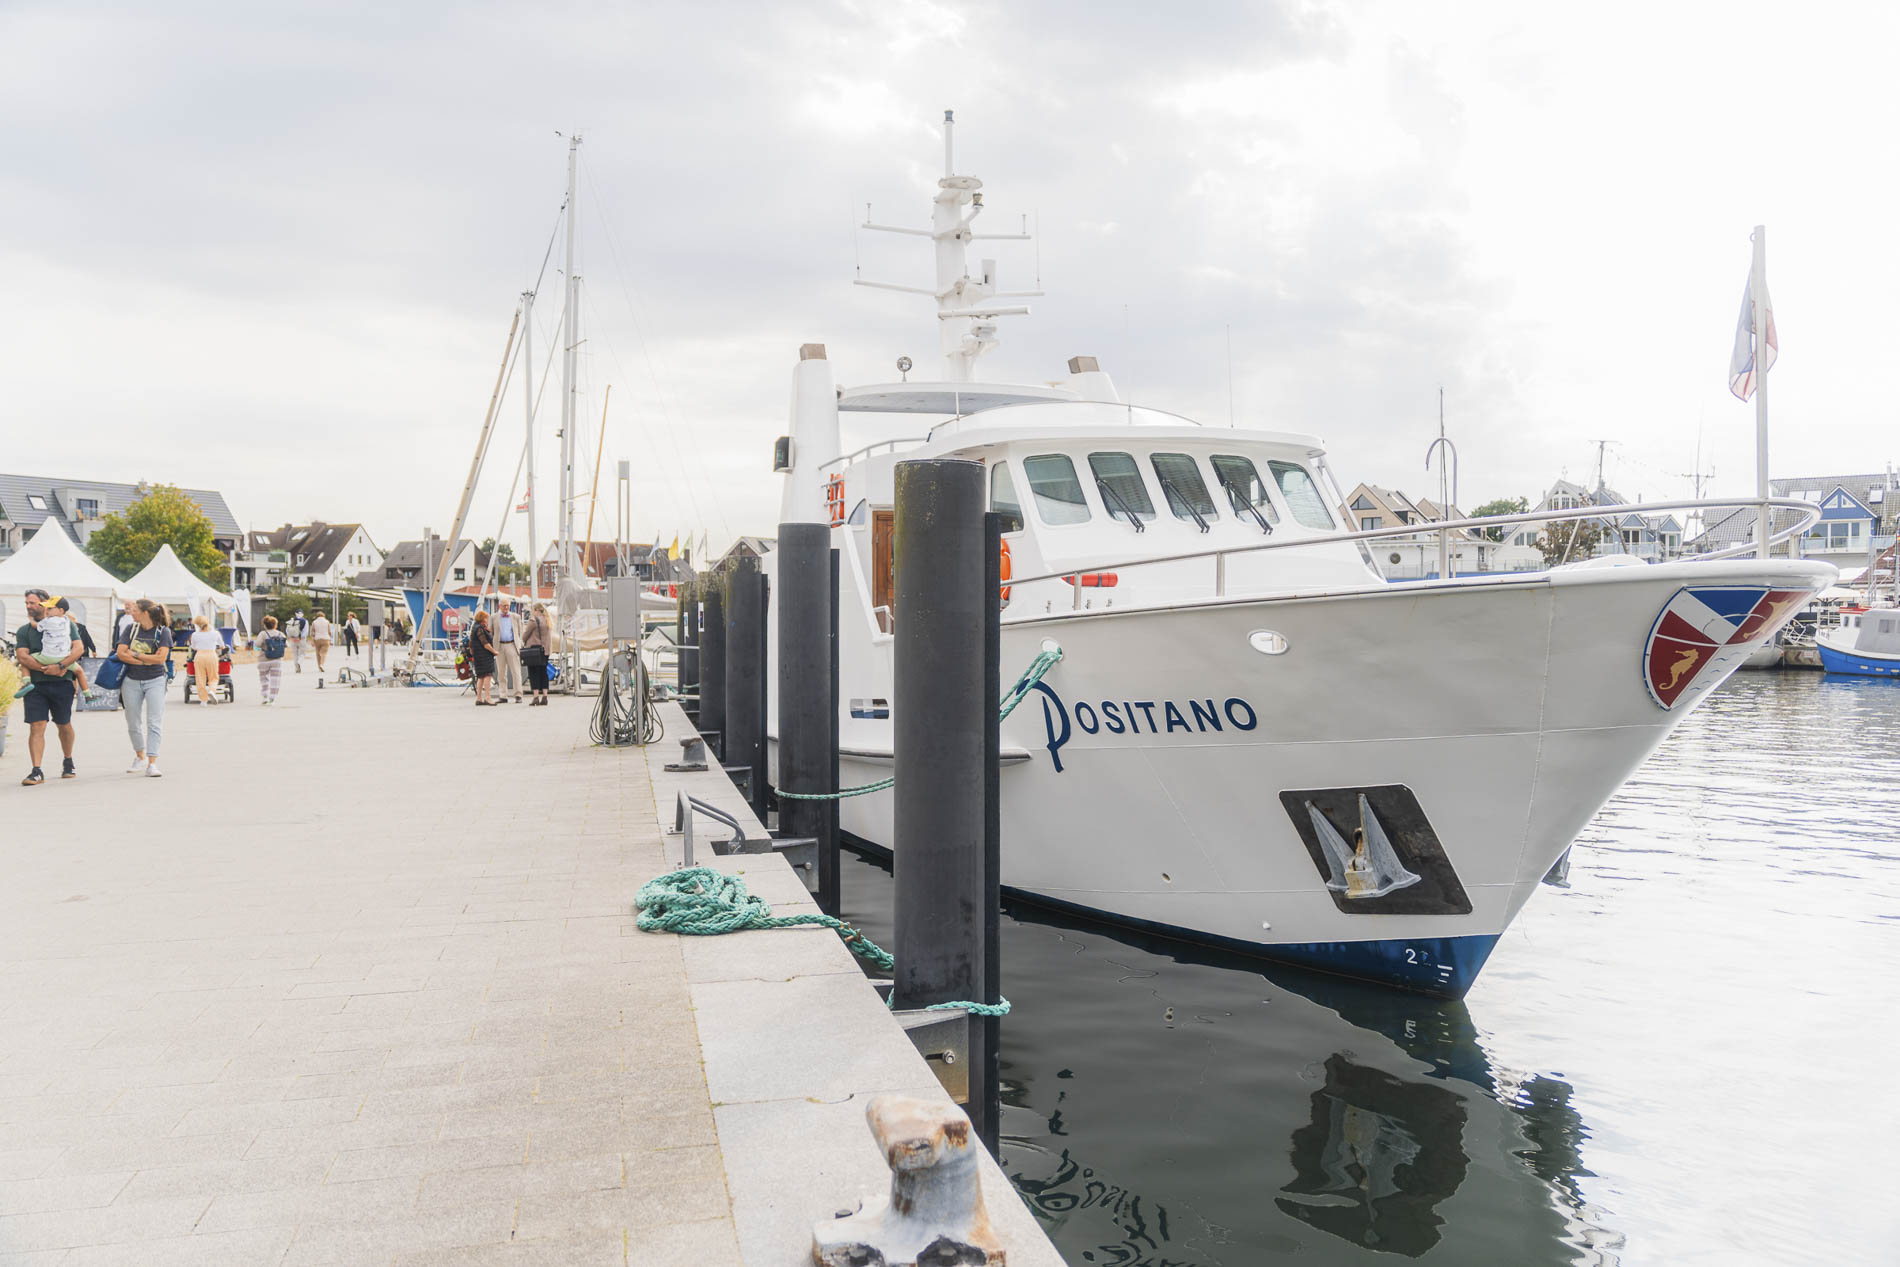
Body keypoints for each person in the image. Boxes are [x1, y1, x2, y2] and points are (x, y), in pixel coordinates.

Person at [14, 588, 82, 785]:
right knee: (37, 726)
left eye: (32, 603)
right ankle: (36, 770)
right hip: (35, 686)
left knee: (64, 724)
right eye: (26, 603)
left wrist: (60, 666)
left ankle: (68, 761)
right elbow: (22, 656)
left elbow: (78, 648)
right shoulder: (24, 631)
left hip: (62, 682)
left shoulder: (66, 624)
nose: (28, 606)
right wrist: (48, 669)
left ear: (44, 605)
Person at [116, 597, 172, 777]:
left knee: (154, 721)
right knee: (132, 720)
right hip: (131, 680)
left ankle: (152, 762)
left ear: (145, 613)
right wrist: (146, 660)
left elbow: (161, 659)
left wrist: (136, 654)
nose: (131, 612)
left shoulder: (163, 632)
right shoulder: (130, 629)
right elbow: (120, 654)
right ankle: (140, 756)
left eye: (134, 609)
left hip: (156, 679)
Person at [13, 596, 92, 698]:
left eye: (49, 608)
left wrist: (31, 619)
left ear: (60, 610)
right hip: (64, 656)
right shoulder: (67, 622)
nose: (47, 611)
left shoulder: (48, 621)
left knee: (25, 662)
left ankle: (26, 683)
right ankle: (88, 694)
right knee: (79, 671)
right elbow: (79, 648)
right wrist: (62, 666)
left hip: (48, 656)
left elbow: (36, 626)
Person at [186, 615, 223, 705]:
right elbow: (222, 645)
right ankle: (212, 690)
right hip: (211, 655)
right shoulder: (215, 633)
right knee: (213, 677)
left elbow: (193, 647)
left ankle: (203, 700)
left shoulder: (195, 635)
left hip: (199, 656)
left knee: (200, 678)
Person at [521, 601, 551, 705]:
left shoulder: (533, 620)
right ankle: (545, 696)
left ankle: (536, 696)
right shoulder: (548, 620)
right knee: (543, 673)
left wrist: (523, 641)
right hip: (545, 651)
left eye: (533, 610)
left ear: (536, 610)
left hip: (534, 651)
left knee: (533, 673)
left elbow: (525, 635)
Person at [493, 599, 523, 703]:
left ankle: (518, 695)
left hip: (512, 645)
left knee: (516, 671)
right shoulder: (493, 617)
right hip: (499, 646)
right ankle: (503, 695)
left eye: (508, 606)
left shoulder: (516, 617)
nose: (506, 608)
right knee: (501, 673)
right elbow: (491, 632)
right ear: (499, 606)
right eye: (504, 605)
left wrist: (519, 645)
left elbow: (520, 632)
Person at [468, 608, 498, 705]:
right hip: (484, 655)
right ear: (482, 618)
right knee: (487, 676)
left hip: (478, 656)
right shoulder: (480, 628)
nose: (487, 620)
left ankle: (479, 698)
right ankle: (488, 697)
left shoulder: (475, 627)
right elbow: (485, 644)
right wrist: (494, 651)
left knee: (480, 676)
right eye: (486, 618)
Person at [256, 614, 287, 704]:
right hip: (277, 660)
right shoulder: (280, 634)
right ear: (275, 625)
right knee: (275, 679)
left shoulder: (263, 634)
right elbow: (286, 644)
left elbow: (257, 644)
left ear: (265, 625)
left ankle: (265, 696)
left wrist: (262, 647)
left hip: (263, 659)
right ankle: (272, 698)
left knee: (264, 678)